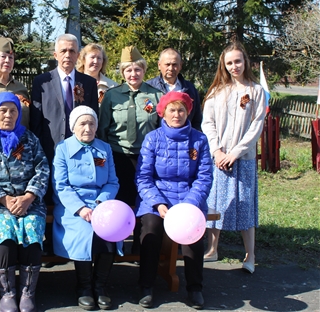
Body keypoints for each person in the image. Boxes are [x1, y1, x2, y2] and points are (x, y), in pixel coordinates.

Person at [0, 92, 49, 312]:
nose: (8, 115)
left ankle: (27, 292)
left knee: (31, 231)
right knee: (6, 234)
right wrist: (4, 200)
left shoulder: (30, 139)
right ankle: (7, 293)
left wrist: (29, 196)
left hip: (28, 201)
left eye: (13, 110)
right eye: (2, 110)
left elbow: (42, 169)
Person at [135, 91, 213, 310]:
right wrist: (158, 203)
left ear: (188, 111)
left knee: (193, 235)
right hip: (158, 198)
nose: (177, 114)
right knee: (150, 230)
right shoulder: (153, 138)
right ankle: (146, 285)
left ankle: (195, 288)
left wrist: (190, 204)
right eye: (172, 110)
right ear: (163, 112)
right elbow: (143, 177)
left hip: (189, 199)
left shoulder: (199, 139)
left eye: (181, 110)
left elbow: (204, 177)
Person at [30, 33, 99, 262]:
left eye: (72, 51)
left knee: (72, 195)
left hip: (77, 152)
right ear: (55, 54)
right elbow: (37, 120)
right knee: (50, 196)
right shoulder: (41, 82)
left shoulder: (87, 83)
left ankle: (70, 243)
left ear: (78, 54)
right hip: (50, 148)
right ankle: (50, 245)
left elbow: (92, 118)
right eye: (63, 51)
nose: (68, 55)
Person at [202, 42, 266, 274]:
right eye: (229, 63)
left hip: (243, 158)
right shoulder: (217, 92)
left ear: (246, 61)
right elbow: (207, 123)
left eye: (237, 61)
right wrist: (217, 151)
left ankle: (250, 254)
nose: (233, 66)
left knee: (245, 206)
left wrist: (235, 153)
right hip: (219, 158)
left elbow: (256, 126)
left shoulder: (256, 91)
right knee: (215, 204)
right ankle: (212, 248)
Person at [53, 106, 119, 310]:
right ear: (73, 127)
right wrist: (81, 209)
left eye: (91, 123)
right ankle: (83, 287)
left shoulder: (104, 148)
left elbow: (113, 182)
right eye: (82, 123)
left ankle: (100, 286)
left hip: (101, 203)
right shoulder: (63, 148)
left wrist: (100, 204)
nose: (87, 128)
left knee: (111, 232)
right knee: (84, 233)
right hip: (73, 206)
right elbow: (61, 185)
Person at [98, 46, 163, 207]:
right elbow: (102, 129)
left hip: (146, 156)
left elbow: (161, 129)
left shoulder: (156, 95)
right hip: (117, 156)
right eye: (128, 70)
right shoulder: (112, 96)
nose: (133, 74)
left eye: (137, 69)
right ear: (122, 72)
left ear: (144, 70)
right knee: (120, 202)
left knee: (144, 202)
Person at [146, 48, 203, 130]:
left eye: (174, 64)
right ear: (159, 65)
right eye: (167, 64)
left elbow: (197, 119)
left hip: (185, 138)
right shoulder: (149, 88)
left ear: (180, 66)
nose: (171, 68)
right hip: (159, 138)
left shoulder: (190, 89)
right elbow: (147, 116)